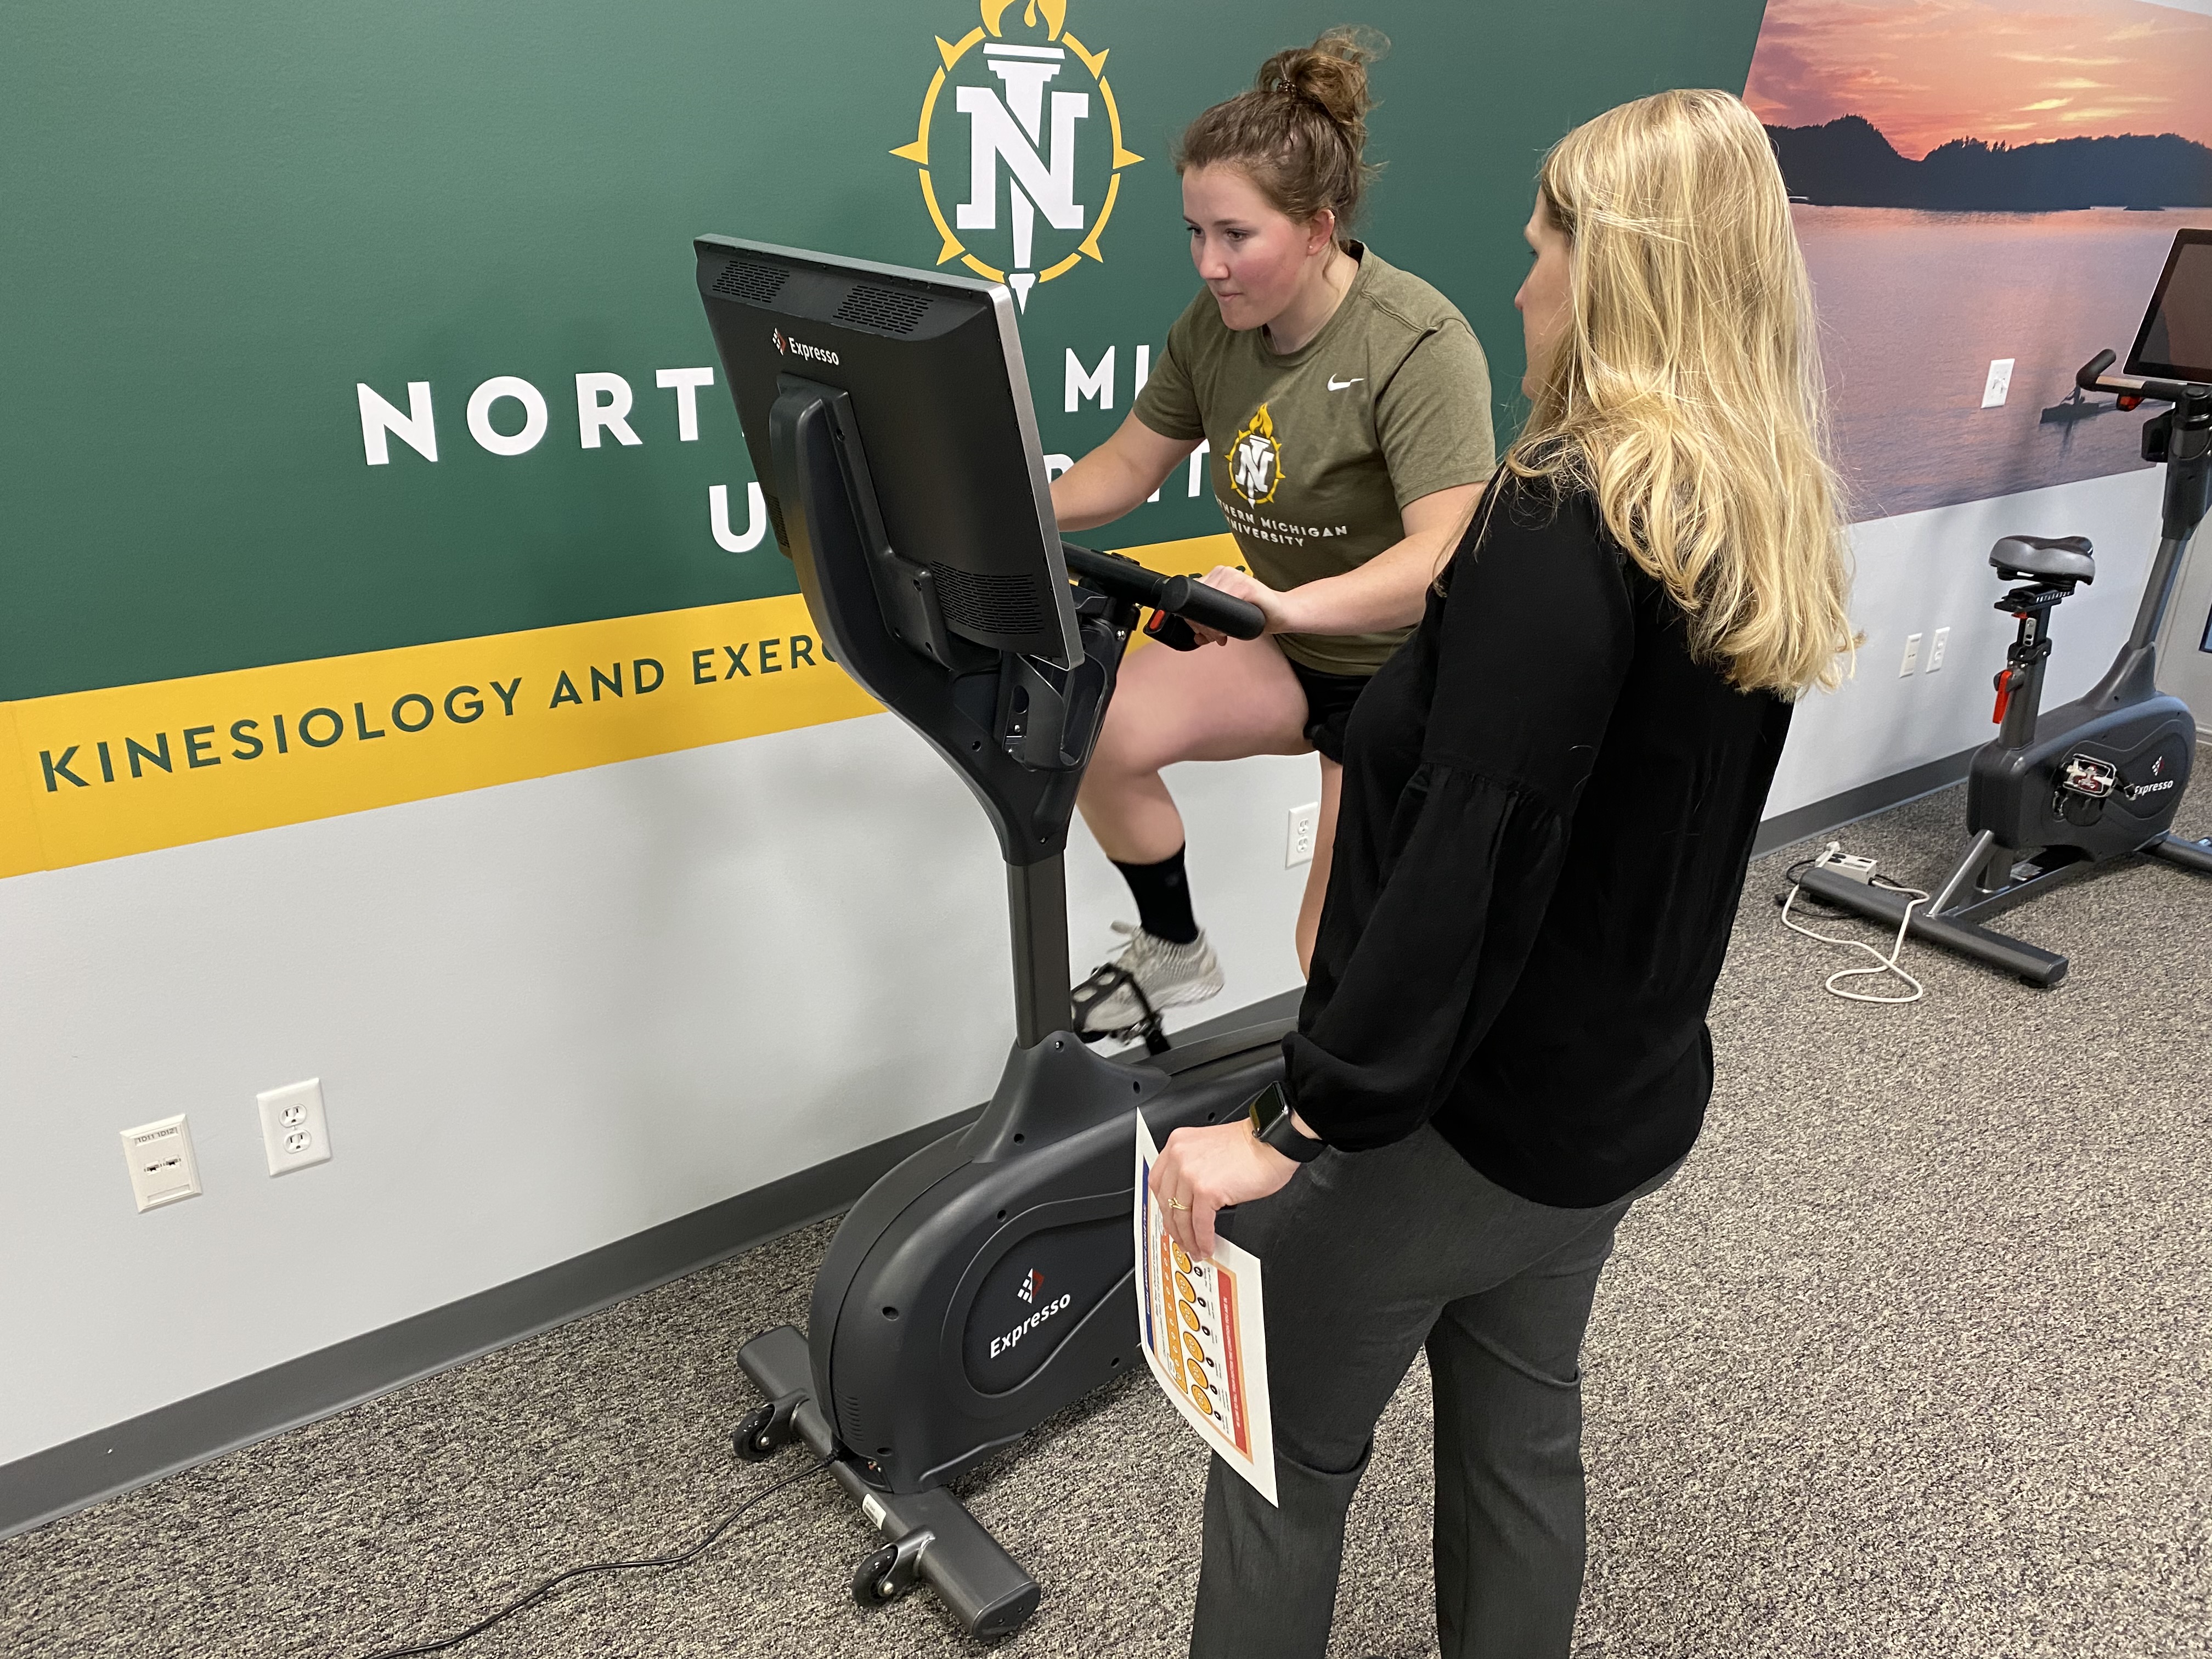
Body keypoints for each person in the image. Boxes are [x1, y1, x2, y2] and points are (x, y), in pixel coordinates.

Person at [1147, 88, 1858, 1658]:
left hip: (1448, 1125)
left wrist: (1297, 1120)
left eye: (1542, 248)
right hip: (1612, 1105)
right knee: (1521, 1440)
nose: (1524, 278)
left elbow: (1476, 851)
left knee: (1276, 1471)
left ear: (1616, 272)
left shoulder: (1561, 517)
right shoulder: (1747, 505)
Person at [1049, 27, 1494, 1041]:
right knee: (1096, 735)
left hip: (1403, 675)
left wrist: (1282, 604)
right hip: (1293, 645)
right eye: (1194, 233)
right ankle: (1174, 950)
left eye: (1236, 236)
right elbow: (1124, 469)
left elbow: (1440, 558)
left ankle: (1354, 1151)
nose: (1209, 265)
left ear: (1318, 228)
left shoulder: (1417, 343)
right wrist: (1000, 506)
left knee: (1326, 956)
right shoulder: (1215, 332)